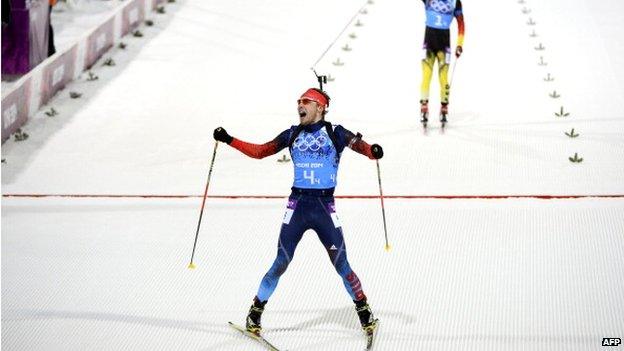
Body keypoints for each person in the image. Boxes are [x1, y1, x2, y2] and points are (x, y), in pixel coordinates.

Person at [213, 87, 384, 336]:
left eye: (306, 101)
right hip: (297, 206)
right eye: (298, 102)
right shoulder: (292, 134)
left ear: (320, 106)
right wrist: (229, 139)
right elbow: (261, 152)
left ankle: (364, 312)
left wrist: (372, 151)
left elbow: (358, 145)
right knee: (281, 261)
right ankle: (255, 313)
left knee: (341, 264)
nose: (299, 106)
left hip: (324, 207)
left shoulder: (334, 132)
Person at [419, 0, 464, 125]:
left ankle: (444, 108)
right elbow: (461, 25)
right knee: (426, 76)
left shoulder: (455, 2)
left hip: (444, 47)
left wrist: (460, 44)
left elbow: (461, 24)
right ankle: (424, 106)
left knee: (443, 78)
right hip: (429, 46)